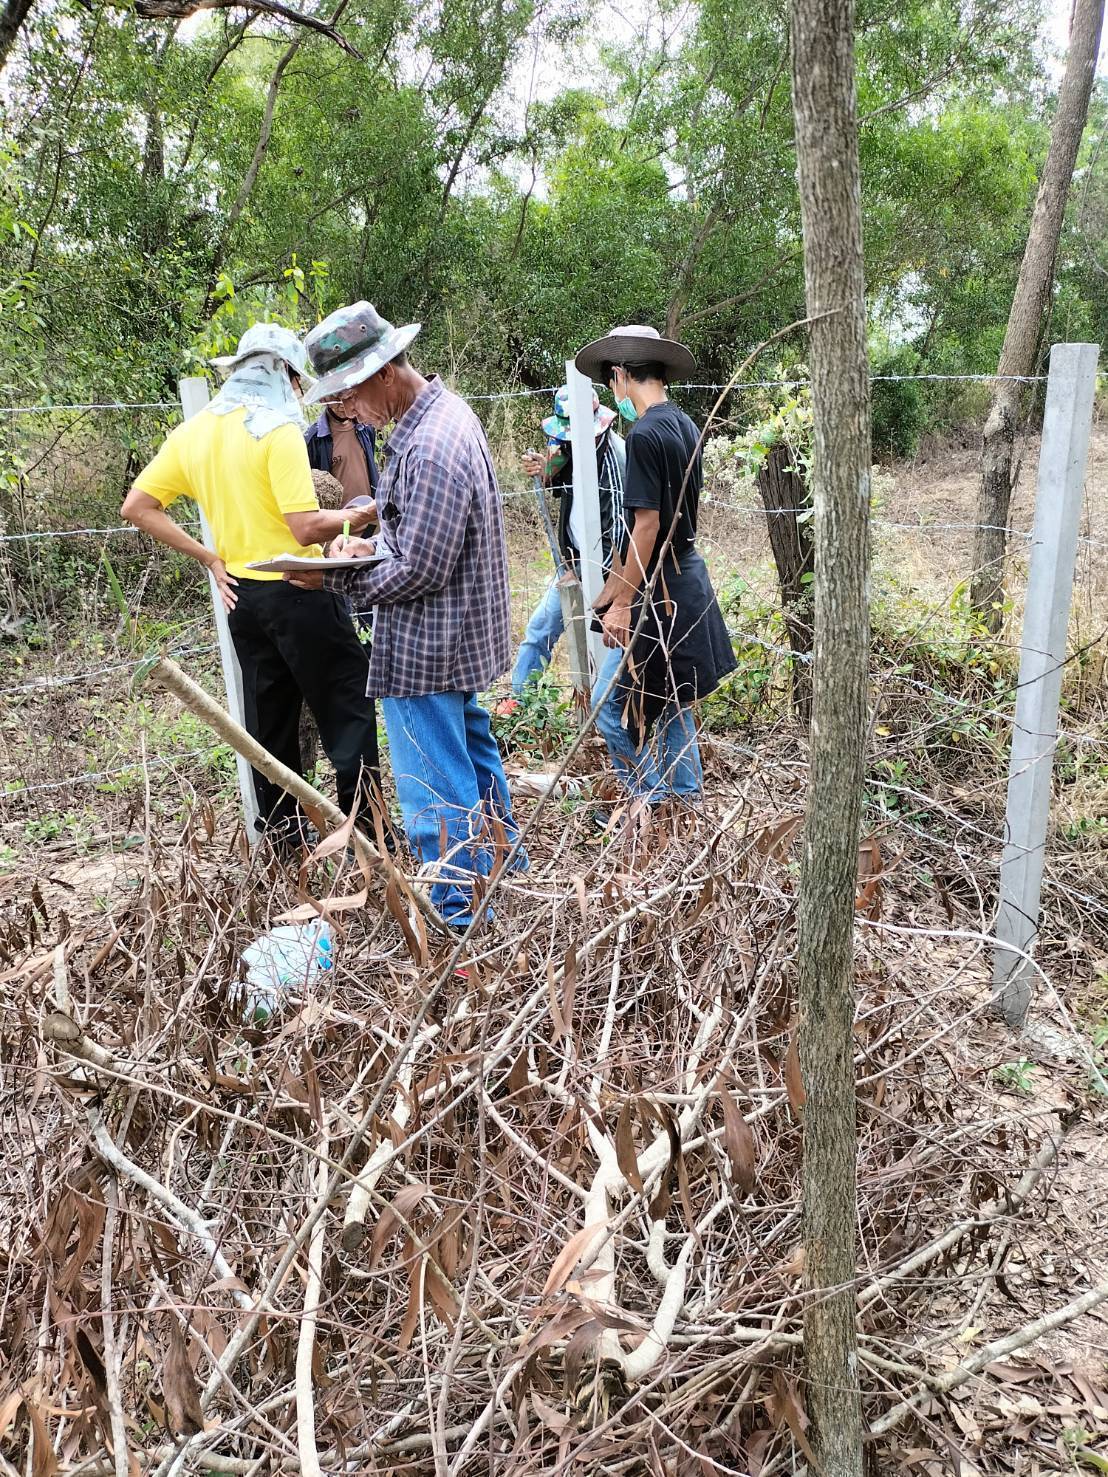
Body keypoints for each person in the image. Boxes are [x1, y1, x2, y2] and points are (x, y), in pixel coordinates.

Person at [286, 302, 523, 930]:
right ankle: (514, 879)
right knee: (472, 756)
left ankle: (460, 919)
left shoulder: (432, 447)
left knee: (435, 791)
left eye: (350, 394)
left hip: (428, 648)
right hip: (450, 638)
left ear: (386, 372)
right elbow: (415, 539)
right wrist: (367, 545)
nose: (346, 411)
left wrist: (334, 578)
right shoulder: (433, 422)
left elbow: (422, 569)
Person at [121, 322, 381, 850]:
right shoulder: (277, 430)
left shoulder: (194, 432)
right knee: (347, 712)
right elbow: (305, 527)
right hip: (302, 588)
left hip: (242, 596)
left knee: (270, 726)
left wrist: (210, 558)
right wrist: (367, 513)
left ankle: (283, 850)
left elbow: (138, 507)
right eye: (298, 379)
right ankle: (370, 840)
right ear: (285, 374)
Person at [574, 324, 736, 808]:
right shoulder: (684, 424)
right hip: (684, 579)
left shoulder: (643, 434)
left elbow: (647, 525)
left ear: (622, 376)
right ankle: (681, 810)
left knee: (610, 710)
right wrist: (610, 589)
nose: (613, 392)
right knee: (670, 709)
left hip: (660, 592)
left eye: (611, 383)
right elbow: (647, 527)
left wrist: (623, 604)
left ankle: (648, 802)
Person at [503, 385, 625, 706]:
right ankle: (518, 705)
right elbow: (556, 473)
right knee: (539, 631)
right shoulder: (573, 448)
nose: (563, 441)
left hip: (611, 573)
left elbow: (621, 534)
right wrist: (544, 468)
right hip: (573, 563)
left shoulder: (613, 460)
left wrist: (598, 583)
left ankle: (609, 710)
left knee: (608, 645)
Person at [304, 395, 378, 507]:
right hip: (340, 519)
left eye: (346, 397)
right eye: (336, 400)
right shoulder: (314, 440)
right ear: (324, 399)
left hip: (369, 509)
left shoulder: (365, 427)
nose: (342, 405)